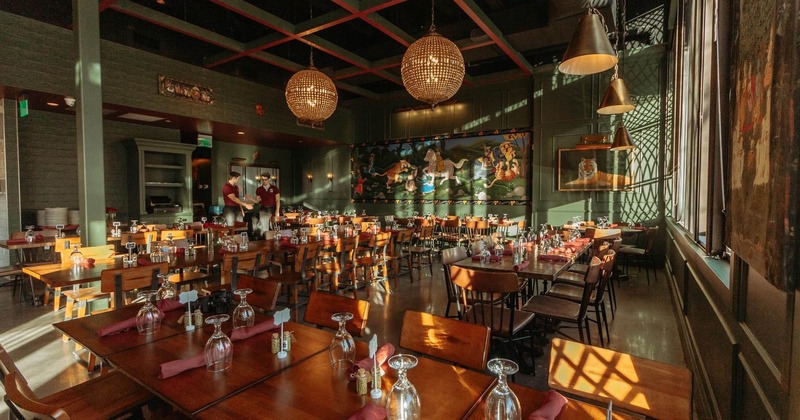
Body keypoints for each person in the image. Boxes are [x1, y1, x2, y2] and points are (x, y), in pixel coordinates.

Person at [254, 172, 280, 236]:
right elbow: (257, 201)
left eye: (265, 179)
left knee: (273, 226)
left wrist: (277, 211)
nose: (264, 181)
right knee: (264, 227)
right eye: (262, 179)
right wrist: (250, 199)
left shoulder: (274, 188)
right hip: (263, 209)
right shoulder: (259, 189)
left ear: (269, 179)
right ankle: (266, 241)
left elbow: (277, 200)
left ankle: (274, 240)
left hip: (272, 208)